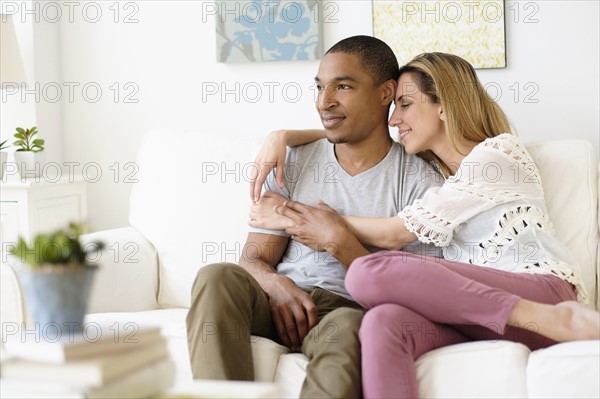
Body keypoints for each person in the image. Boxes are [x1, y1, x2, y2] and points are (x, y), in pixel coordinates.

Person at [249, 52, 600, 399]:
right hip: (473, 317)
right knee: (381, 323)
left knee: (367, 274)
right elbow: (362, 133)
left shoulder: (498, 155)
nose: (393, 119)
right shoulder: (441, 180)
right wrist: (284, 134)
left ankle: (558, 320)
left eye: (404, 105)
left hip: (542, 295)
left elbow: (393, 234)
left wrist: (293, 215)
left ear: (443, 105)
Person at [186, 36, 442, 398]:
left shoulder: (418, 182)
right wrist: (277, 286)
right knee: (216, 277)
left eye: (343, 86)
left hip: (347, 309)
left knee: (349, 330)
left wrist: (339, 241)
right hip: (278, 301)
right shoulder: (295, 159)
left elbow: (414, 295)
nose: (325, 102)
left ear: (385, 93)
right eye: (320, 87)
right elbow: (254, 258)